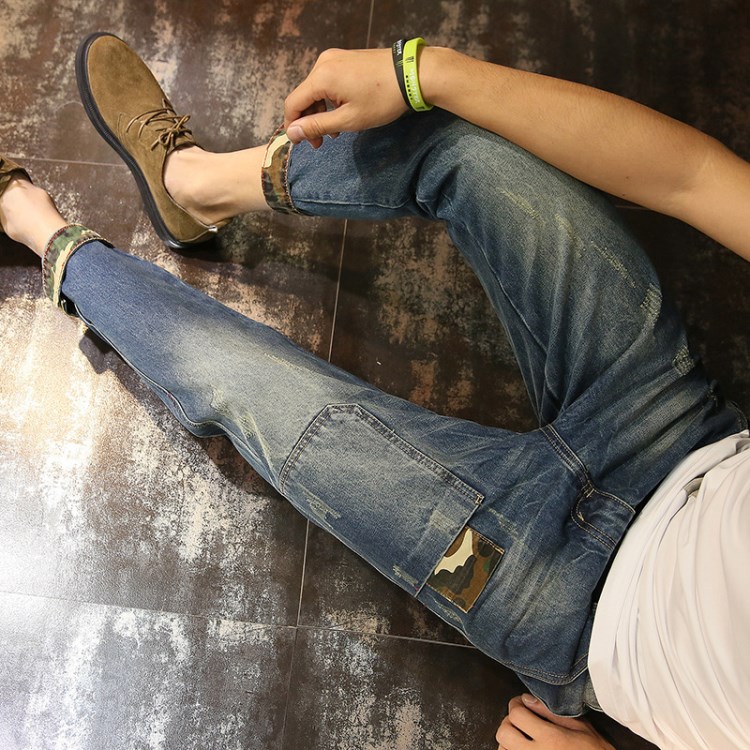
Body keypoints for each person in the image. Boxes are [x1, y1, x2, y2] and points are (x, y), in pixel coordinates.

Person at [1, 32, 747, 750]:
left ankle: (41, 233)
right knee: (459, 137)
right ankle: (195, 186)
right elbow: (697, 177)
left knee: (249, 388)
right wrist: (425, 71)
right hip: (676, 423)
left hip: (573, 602)